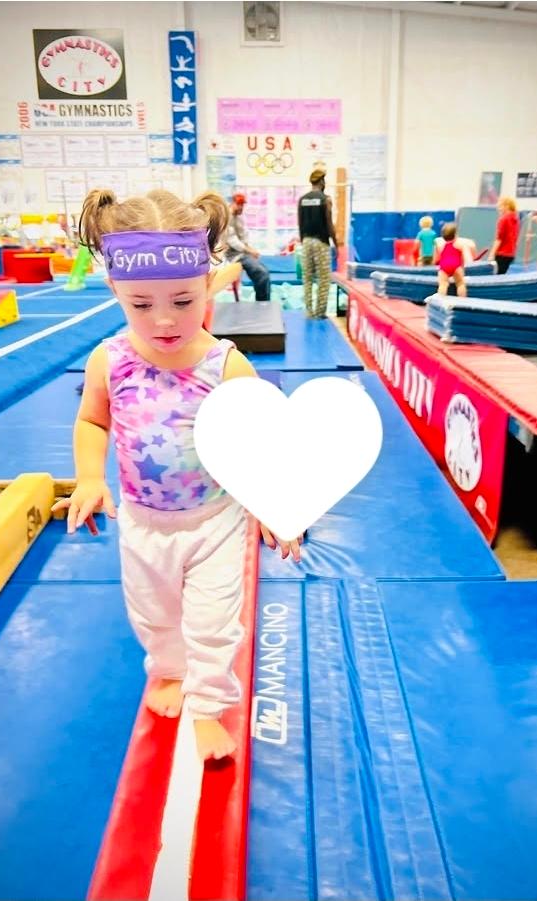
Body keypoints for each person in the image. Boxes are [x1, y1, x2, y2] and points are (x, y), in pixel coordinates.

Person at [51, 188, 300, 762]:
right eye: (141, 304)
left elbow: (259, 441)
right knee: (154, 612)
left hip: (214, 521)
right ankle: (167, 670)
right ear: (114, 289)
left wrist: (274, 503)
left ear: (208, 286)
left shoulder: (225, 365)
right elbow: (93, 420)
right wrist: (89, 477)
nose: (164, 320)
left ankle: (208, 705)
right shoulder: (110, 359)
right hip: (143, 521)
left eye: (183, 301)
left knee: (214, 620)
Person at [298, 168, 338, 319]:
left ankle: (309, 311)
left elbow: (300, 223)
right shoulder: (325, 199)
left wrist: (303, 240)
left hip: (306, 241)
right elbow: (329, 224)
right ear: (322, 182)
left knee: (307, 278)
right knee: (323, 278)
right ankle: (320, 312)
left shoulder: (302, 200)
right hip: (321, 242)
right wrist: (336, 244)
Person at [225, 192, 271, 301]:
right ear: (233, 204)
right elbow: (233, 242)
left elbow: (243, 239)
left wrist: (251, 250)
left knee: (265, 271)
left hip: (242, 254)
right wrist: (250, 251)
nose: (241, 207)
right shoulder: (227, 219)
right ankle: (262, 303)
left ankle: (265, 301)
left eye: (242, 204)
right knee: (262, 274)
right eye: (239, 204)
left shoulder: (238, 219)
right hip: (234, 256)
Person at [489, 196, 520, 275]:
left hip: (502, 254)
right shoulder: (515, 218)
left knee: (497, 276)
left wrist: (491, 254)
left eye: (500, 206)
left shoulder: (504, 219)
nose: (498, 209)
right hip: (511, 254)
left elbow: (499, 239)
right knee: (503, 275)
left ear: (507, 206)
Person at [436, 222, 467, 297]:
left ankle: (440, 300)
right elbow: (463, 259)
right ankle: (462, 300)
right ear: (455, 235)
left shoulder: (440, 245)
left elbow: (438, 258)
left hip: (444, 266)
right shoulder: (459, 245)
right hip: (456, 265)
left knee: (443, 285)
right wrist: (462, 267)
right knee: (460, 284)